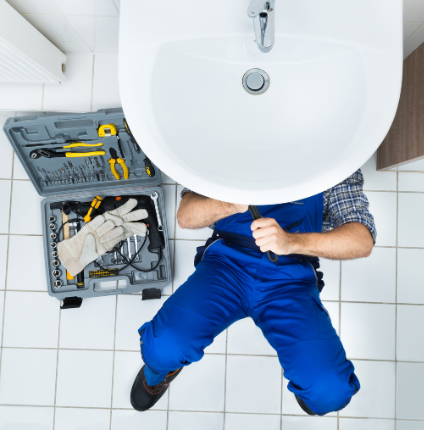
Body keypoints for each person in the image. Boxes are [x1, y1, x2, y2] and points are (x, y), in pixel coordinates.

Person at [130, 169, 376, 415]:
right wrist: (229, 204)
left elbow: (361, 240)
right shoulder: (231, 145)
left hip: (291, 280)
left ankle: (307, 376)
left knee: (328, 391)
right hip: (226, 266)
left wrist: (291, 242)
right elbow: (186, 216)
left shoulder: (334, 157)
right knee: (162, 349)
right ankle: (158, 375)